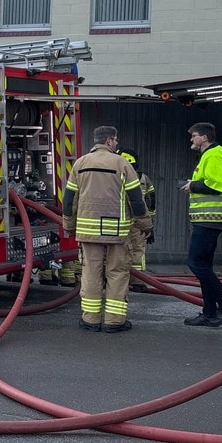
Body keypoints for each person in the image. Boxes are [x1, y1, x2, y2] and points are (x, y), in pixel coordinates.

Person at [62, 126, 151, 333]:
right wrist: (145, 224)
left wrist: (69, 224)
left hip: (88, 232)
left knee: (91, 274)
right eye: (116, 140)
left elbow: (69, 200)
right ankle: (114, 322)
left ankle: (90, 320)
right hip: (117, 233)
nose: (117, 144)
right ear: (110, 140)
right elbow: (136, 199)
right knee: (117, 274)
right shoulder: (122, 164)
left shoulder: (80, 163)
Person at [180, 122, 222, 327]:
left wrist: (193, 185)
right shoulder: (212, 154)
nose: (191, 139)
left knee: (196, 264)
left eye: (193, 136)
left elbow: (218, 185)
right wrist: (194, 183)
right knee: (203, 266)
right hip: (208, 220)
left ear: (204, 138)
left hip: (210, 220)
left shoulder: (213, 154)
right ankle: (210, 313)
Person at [118, 148, 156, 293]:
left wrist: (150, 224)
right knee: (134, 251)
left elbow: (151, 201)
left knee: (132, 251)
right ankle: (134, 281)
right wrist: (149, 224)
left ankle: (135, 281)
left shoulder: (141, 179)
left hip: (128, 222)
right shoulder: (142, 178)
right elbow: (150, 201)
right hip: (134, 222)